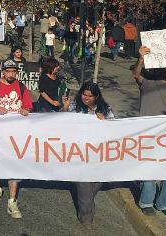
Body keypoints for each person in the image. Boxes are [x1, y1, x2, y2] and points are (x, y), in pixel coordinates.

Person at [132, 45, 166, 218]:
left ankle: (164, 204)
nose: (162, 70)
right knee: (150, 168)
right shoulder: (147, 82)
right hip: (149, 133)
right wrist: (140, 58)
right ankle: (146, 201)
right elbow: (136, 74)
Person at [0, 59, 33, 219]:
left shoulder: (21, 87)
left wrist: (25, 111)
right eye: (8, 71)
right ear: (2, 71)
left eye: (14, 71)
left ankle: (12, 200)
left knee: (13, 165)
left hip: (15, 134)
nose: (11, 74)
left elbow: (28, 107)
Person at [61, 82, 115, 230]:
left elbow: (116, 129)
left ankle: (86, 200)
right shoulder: (74, 107)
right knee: (84, 182)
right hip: (79, 152)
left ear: (96, 97)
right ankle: (86, 217)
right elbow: (63, 125)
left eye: (90, 96)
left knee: (97, 182)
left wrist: (105, 121)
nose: (86, 98)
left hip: (98, 153)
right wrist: (65, 109)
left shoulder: (105, 109)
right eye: (84, 95)